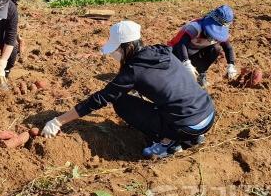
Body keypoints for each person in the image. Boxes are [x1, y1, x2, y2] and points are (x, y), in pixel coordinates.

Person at [41, 21, 216, 159]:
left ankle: (168, 143)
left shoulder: (133, 71)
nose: (114, 53)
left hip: (186, 125)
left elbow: (99, 99)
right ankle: (192, 137)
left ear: (128, 47)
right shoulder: (162, 51)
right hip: (207, 114)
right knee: (173, 102)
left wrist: (58, 121)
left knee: (120, 101)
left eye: (116, 49)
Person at [168, 5, 238, 88]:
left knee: (216, 48)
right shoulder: (195, 27)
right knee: (176, 78)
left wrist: (231, 65)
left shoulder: (220, 35)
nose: (212, 37)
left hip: (195, 54)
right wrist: (186, 62)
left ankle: (200, 75)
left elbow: (228, 47)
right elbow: (181, 44)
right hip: (176, 53)